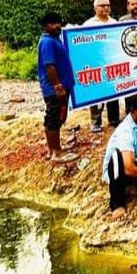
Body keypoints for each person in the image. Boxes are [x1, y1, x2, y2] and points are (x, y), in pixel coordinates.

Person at [37, 12, 77, 163]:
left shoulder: (54, 39)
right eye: (53, 23)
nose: (57, 26)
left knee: (55, 119)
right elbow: (49, 66)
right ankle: (57, 153)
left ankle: (52, 149)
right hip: (55, 89)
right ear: (45, 26)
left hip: (59, 87)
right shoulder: (48, 42)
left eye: (58, 22)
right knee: (53, 119)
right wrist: (58, 86)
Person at [83, 0, 120, 132]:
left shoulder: (114, 22)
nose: (106, 8)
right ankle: (95, 122)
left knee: (113, 91)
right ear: (95, 8)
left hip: (112, 63)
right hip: (96, 64)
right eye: (102, 5)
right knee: (97, 94)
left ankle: (114, 119)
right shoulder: (88, 24)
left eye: (108, 5)